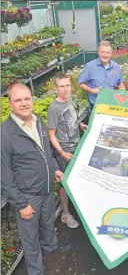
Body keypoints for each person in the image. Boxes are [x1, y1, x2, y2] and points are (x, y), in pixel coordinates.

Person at [1, 83, 72, 275]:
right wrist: (20, 204)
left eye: (27, 98)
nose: (24, 103)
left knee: (48, 223)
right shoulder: (5, 134)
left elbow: (47, 152)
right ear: (10, 103)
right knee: (30, 237)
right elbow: (4, 176)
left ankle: (51, 246)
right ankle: (36, 270)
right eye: (18, 100)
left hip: (47, 188)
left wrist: (55, 169)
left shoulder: (37, 121)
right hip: (28, 196)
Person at [48, 72, 87, 229]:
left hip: (77, 146)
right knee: (64, 183)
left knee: (76, 177)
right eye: (61, 86)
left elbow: (71, 119)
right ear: (56, 88)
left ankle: (77, 208)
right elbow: (51, 134)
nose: (65, 89)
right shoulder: (54, 108)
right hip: (65, 150)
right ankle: (65, 214)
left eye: (67, 85)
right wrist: (62, 152)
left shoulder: (69, 101)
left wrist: (80, 125)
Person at [78, 40, 125, 110]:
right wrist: (92, 91)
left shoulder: (116, 67)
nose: (105, 55)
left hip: (113, 104)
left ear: (111, 54)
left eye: (108, 53)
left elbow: (120, 83)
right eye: (103, 52)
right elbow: (80, 84)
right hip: (96, 105)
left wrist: (122, 88)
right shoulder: (90, 66)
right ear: (98, 53)